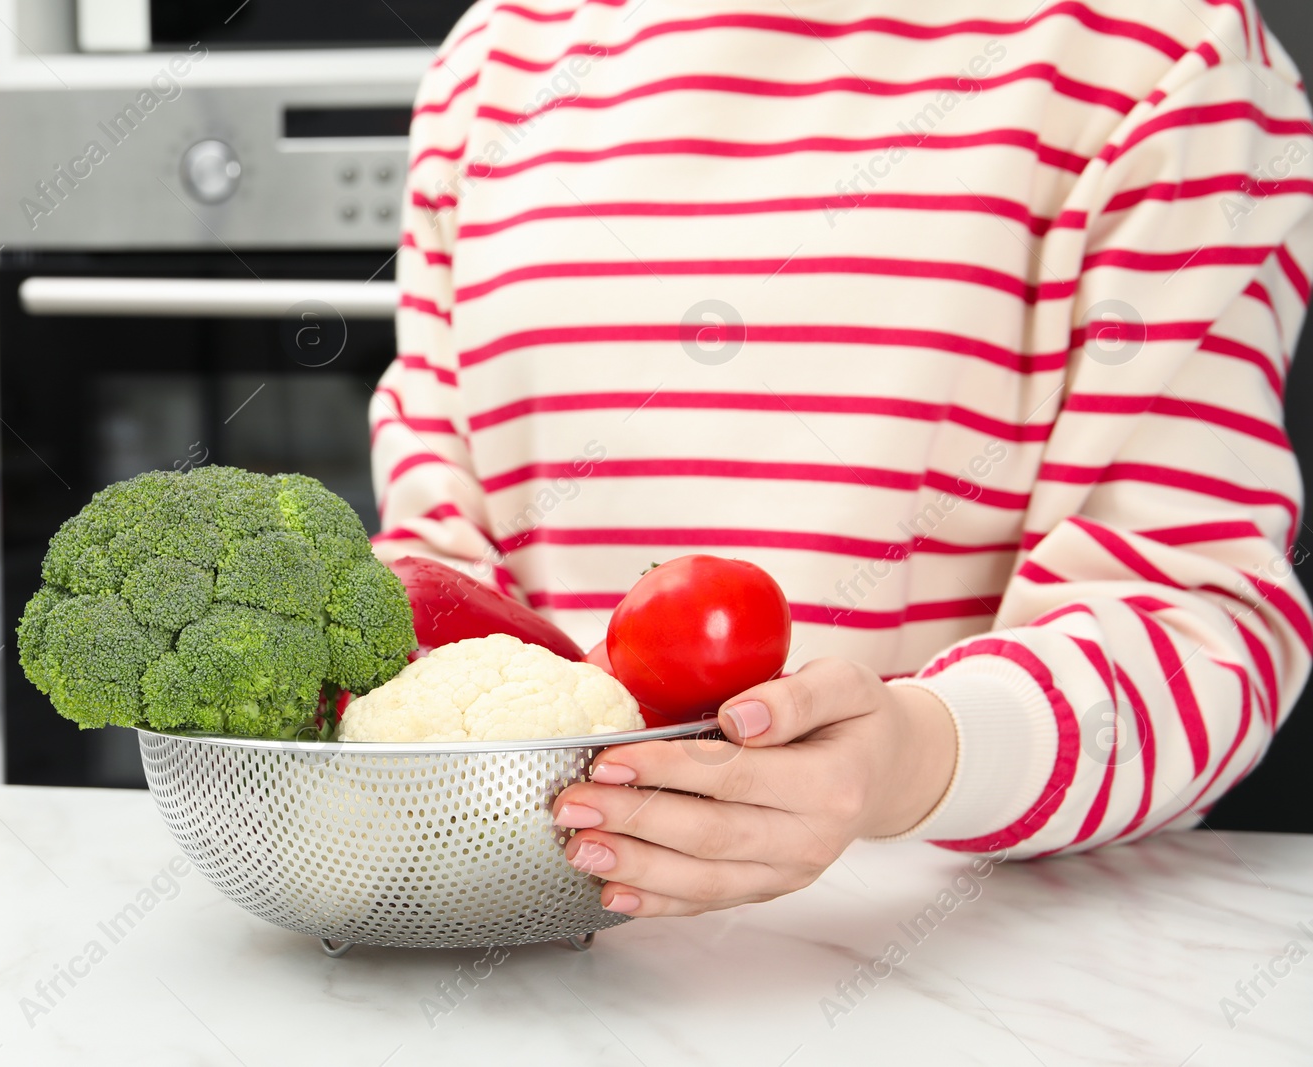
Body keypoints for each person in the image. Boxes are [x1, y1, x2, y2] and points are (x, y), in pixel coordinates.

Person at [368, 0, 1313, 918]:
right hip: (515, 932)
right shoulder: (489, 62)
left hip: (966, 956)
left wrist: (918, 758)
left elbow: (1201, 627)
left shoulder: (1166, 54)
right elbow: (433, 571)